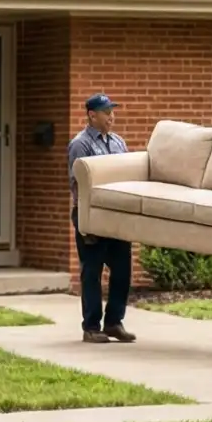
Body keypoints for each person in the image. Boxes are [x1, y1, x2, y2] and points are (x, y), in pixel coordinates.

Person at [69, 94, 137, 345]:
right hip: (90, 214)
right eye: (106, 111)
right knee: (92, 272)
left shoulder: (118, 142)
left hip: (116, 216)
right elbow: (78, 185)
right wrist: (86, 222)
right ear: (92, 115)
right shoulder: (80, 144)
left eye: (112, 111)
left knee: (122, 270)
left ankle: (113, 323)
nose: (111, 116)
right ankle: (91, 327)